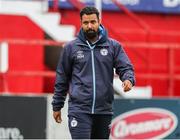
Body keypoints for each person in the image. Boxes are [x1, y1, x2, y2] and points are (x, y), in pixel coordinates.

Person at [52, 6, 135, 139]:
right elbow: (62, 78)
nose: (90, 26)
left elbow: (125, 67)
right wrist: (57, 105)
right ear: (81, 23)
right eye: (86, 23)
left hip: (104, 111)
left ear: (99, 21)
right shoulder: (70, 48)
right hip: (79, 110)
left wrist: (128, 79)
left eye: (93, 22)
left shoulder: (113, 46)